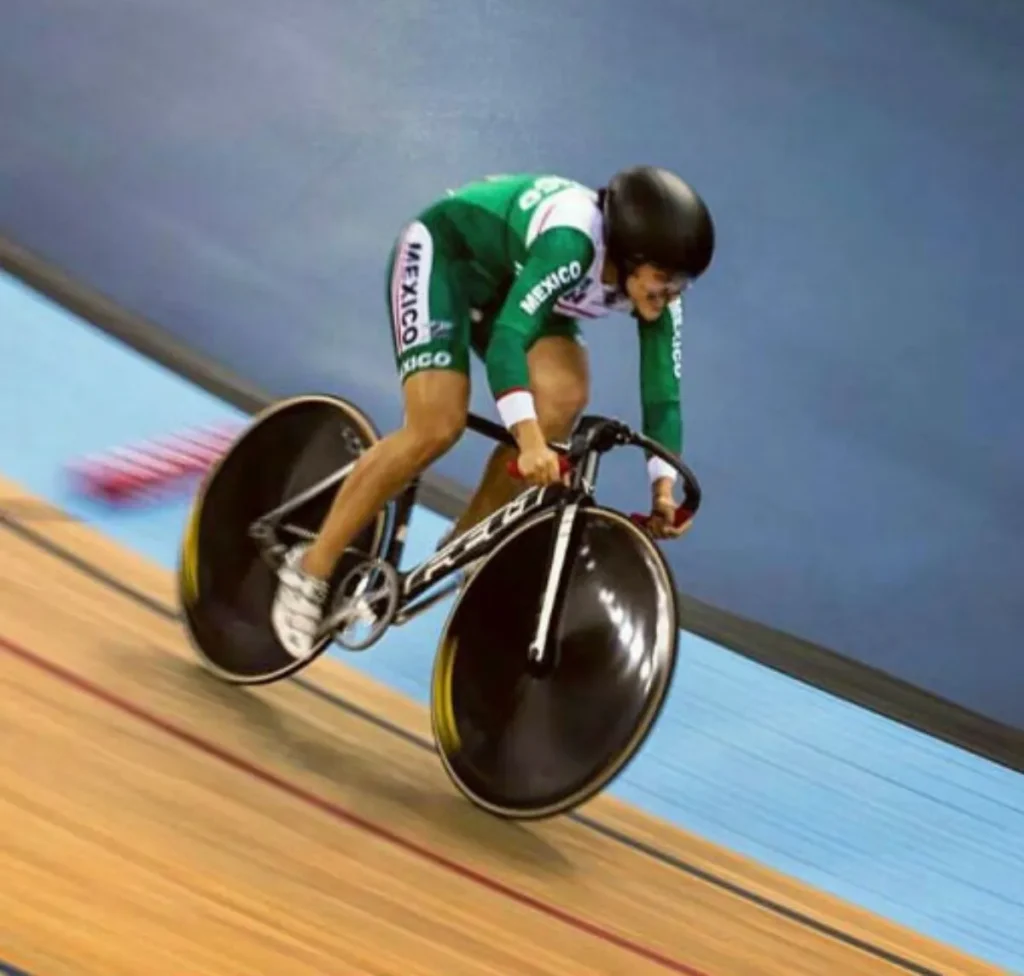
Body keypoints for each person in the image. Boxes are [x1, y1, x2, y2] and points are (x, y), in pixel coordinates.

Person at [271, 166, 715, 659]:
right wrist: (529, 441)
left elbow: (662, 394)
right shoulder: (570, 244)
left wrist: (662, 491)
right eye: (664, 278)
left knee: (565, 396)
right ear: (629, 254)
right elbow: (507, 342)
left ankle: (466, 541)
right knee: (437, 426)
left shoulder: (658, 296)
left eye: (683, 282)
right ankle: (309, 567)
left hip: (511, 283)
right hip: (447, 261)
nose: (672, 291)